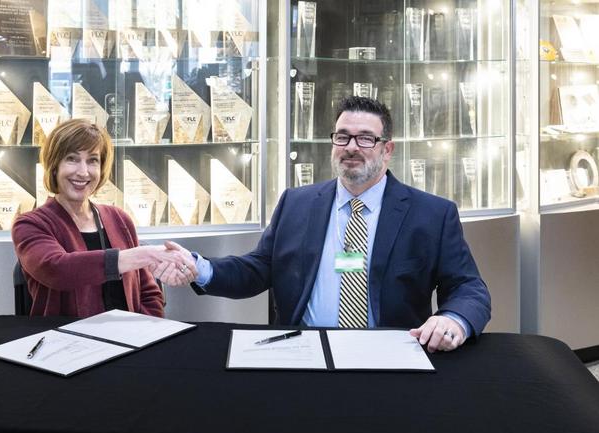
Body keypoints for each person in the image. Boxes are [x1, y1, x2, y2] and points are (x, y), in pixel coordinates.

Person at [159, 96, 491, 352]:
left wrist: (453, 319)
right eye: (342, 137)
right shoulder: (296, 203)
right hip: (302, 351)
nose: (351, 148)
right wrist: (200, 268)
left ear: (387, 149)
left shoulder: (431, 214)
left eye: (365, 139)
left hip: (390, 354)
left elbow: (469, 288)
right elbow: (259, 268)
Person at [12, 119, 196, 317]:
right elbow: (58, 270)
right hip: (67, 342)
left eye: (93, 160)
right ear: (54, 166)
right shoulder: (30, 224)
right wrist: (145, 254)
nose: (83, 172)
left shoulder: (119, 219)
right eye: (72, 159)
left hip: (130, 340)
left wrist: (146, 334)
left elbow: (148, 293)